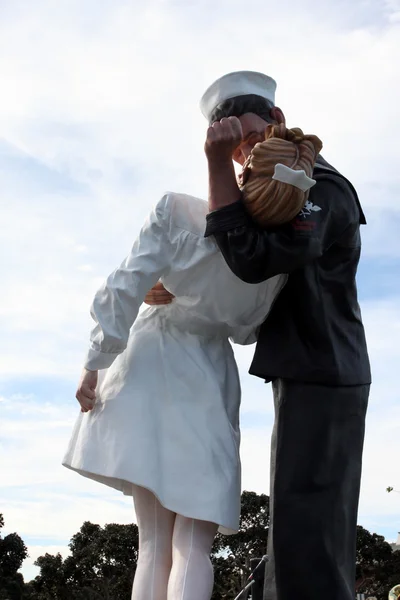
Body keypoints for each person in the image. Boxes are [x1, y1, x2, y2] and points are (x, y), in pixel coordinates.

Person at [63, 121, 322, 600]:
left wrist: (94, 362)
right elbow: (246, 332)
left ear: (245, 174)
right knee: (193, 543)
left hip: (148, 363)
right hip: (208, 375)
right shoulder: (277, 267)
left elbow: (122, 286)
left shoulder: (179, 211)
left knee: (153, 542)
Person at [147, 71, 371, 600]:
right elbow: (243, 290)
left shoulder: (322, 186)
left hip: (327, 369)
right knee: (297, 525)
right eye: (234, 153)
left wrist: (213, 167)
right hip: (307, 368)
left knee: (307, 531)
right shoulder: (278, 192)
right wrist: (178, 288)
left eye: (247, 141)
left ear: (277, 120)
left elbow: (256, 259)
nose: (244, 157)